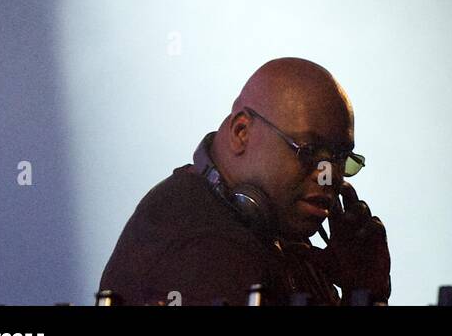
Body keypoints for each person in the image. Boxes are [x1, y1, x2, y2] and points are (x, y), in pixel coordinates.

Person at [98, 57, 391, 305]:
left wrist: (360, 291)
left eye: (340, 157)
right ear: (241, 132)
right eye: (309, 151)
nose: (328, 175)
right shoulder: (206, 251)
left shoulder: (272, 227)